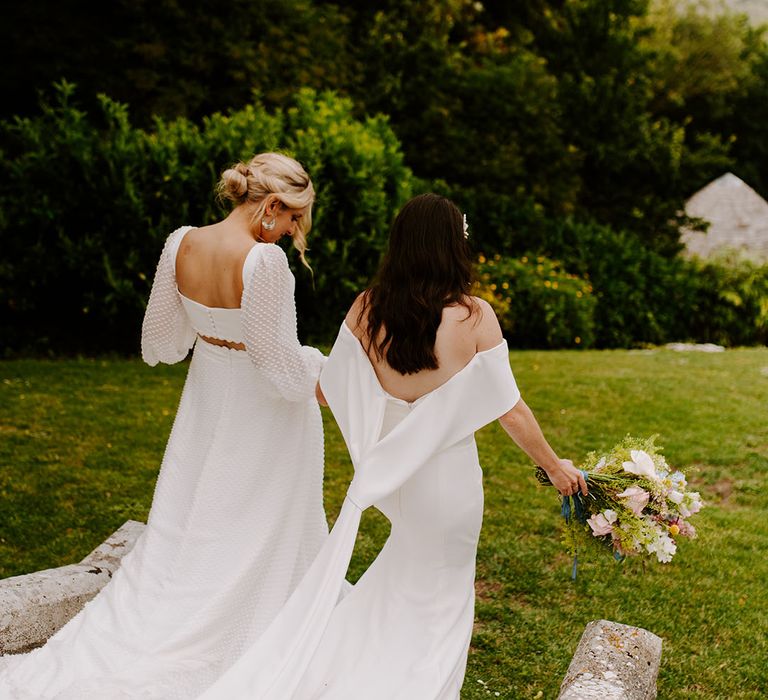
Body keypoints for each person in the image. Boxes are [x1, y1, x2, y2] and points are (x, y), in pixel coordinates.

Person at [195, 193, 588, 699]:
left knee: (404, 573)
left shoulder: (366, 307)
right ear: (452, 246)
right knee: (443, 591)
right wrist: (555, 467)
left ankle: (355, 671)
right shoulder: (473, 316)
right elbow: (509, 409)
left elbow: (327, 387)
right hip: (446, 483)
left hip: (390, 477)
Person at [0, 152, 329, 699]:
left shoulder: (182, 242)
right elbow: (280, 372)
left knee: (197, 512)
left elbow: (162, 345)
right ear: (271, 205)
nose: (294, 230)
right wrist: (321, 367)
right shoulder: (265, 263)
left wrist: (213, 332)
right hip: (259, 414)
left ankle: (183, 601)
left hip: (205, 398)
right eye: (294, 217)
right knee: (252, 515)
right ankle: (244, 614)